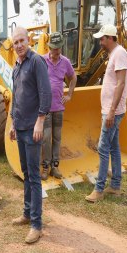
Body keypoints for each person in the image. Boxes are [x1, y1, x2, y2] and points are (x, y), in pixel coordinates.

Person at [9, 27, 52, 244]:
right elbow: (16, 96)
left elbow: (46, 92)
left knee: (34, 177)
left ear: (29, 41)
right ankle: (27, 214)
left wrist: (40, 121)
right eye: (15, 42)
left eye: (21, 41)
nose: (18, 45)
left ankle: (37, 224)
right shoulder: (16, 67)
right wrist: (12, 123)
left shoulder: (37, 62)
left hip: (33, 128)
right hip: (21, 127)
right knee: (26, 172)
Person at [85, 23, 127, 203]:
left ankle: (99, 189)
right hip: (112, 109)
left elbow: (120, 84)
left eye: (102, 39)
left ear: (110, 38)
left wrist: (111, 111)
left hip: (113, 111)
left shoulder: (119, 54)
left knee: (103, 148)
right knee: (113, 147)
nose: (100, 42)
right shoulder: (114, 54)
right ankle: (116, 185)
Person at [41, 32, 77, 180]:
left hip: (59, 108)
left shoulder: (65, 62)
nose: (56, 51)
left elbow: (73, 77)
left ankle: (55, 167)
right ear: (50, 47)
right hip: (46, 108)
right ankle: (45, 167)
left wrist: (69, 95)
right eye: (54, 48)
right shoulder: (42, 61)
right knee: (46, 138)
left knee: (57, 138)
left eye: (58, 48)